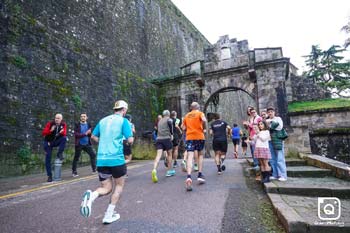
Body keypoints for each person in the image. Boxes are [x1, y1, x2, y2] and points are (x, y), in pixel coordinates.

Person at [80, 100, 134, 224]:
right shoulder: (124, 121)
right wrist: (125, 141)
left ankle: (91, 197)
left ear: (115, 109)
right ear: (124, 110)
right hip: (116, 159)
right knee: (119, 186)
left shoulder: (103, 120)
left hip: (102, 160)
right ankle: (108, 215)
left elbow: (93, 137)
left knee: (106, 188)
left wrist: (104, 141)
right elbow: (130, 140)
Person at [182, 102, 207, 191]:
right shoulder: (200, 113)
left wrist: (189, 128)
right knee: (200, 155)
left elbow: (183, 127)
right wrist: (203, 128)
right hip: (199, 136)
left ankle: (189, 177)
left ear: (191, 108)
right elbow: (204, 120)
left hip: (190, 137)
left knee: (190, 157)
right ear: (198, 107)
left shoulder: (186, 116)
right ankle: (199, 174)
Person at [42, 113, 67, 182]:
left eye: (58, 118)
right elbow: (43, 133)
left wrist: (61, 132)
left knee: (64, 138)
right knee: (48, 158)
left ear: (61, 119)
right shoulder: (50, 124)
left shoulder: (63, 124)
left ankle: (59, 153)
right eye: (56, 118)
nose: (56, 119)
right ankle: (49, 176)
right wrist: (50, 130)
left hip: (55, 142)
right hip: (48, 142)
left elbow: (64, 133)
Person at [151, 110, 175, 182]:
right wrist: (172, 134)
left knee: (158, 156)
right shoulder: (169, 119)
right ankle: (169, 171)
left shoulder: (159, 121)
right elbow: (171, 127)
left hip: (159, 139)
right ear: (168, 114)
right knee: (169, 154)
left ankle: (154, 169)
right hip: (166, 139)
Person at [266, 107, 287, 182]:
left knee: (280, 158)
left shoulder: (278, 118)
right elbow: (265, 128)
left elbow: (279, 127)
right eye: (269, 112)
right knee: (272, 158)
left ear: (274, 112)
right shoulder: (266, 120)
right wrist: (270, 124)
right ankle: (275, 174)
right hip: (269, 140)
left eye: (271, 111)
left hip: (278, 140)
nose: (270, 113)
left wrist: (270, 123)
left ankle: (283, 175)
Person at [72, 113, 96, 177]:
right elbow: (76, 135)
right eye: (81, 116)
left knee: (93, 155)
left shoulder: (88, 125)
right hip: (79, 144)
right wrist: (85, 134)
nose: (83, 117)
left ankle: (94, 169)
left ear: (86, 117)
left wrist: (89, 134)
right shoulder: (77, 125)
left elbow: (89, 135)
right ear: (80, 118)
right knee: (76, 158)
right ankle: (74, 172)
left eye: (84, 116)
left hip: (87, 143)